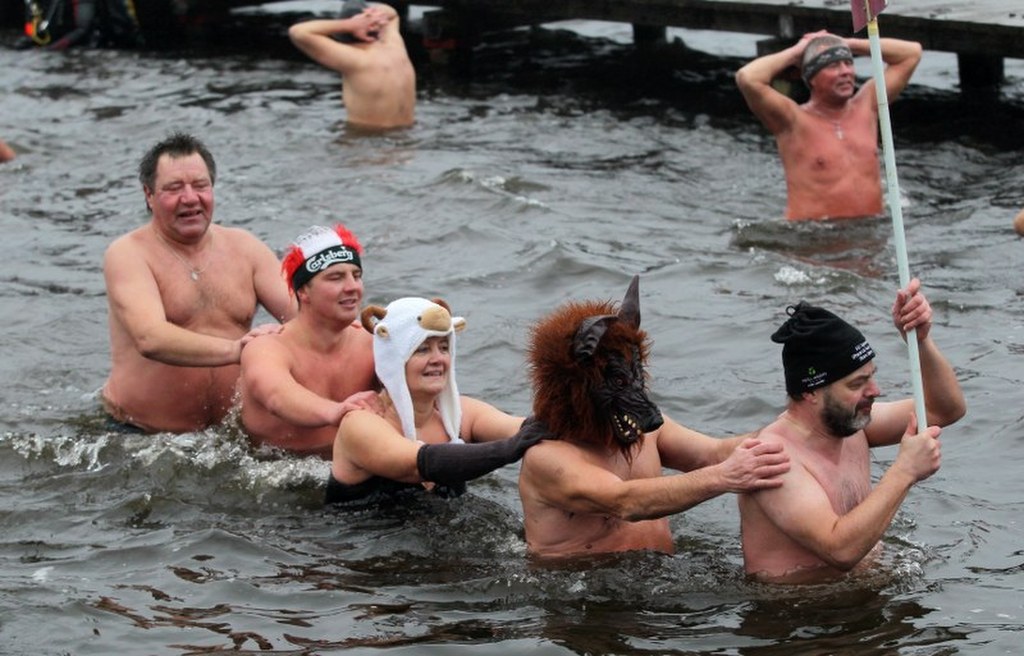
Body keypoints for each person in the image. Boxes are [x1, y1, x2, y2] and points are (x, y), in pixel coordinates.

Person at [517, 276, 791, 558]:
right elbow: (625, 501)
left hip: (657, 570)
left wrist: (790, 429)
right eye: (621, 383)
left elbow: (714, 454)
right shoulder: (548, 458)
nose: (648, 414)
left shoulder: (645, 430)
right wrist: (724, 477)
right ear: (574, 389)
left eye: (637, 376)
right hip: (582, 582)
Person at [738, 278, 966, 583]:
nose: (875, 391)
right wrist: (905, 471)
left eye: (871, 377)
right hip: (799, 608)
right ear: (811, 391)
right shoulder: (772, 458)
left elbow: (945, 409)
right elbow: (840, 550)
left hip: (860, 593)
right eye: (857, 383)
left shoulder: (850, 423)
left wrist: (921, 341)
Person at [102, 133, 296, 433]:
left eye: (200, 186)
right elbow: (150, 338)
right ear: (149, 195)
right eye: (174, 188)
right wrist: (239, 350)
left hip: (230, 435)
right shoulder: (128, 254)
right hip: (140, 434)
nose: (190, 198)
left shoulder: (246, 248)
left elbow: (307, 317)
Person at [327, 296, 545, 504]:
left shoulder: (460, 414)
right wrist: (512, 448)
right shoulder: (361, 423)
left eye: (444, 347)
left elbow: (524, 428)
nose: (438, 359)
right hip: (361, 529)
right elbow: (418, 465)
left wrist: (551, 423)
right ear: (393, 360)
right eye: (422, 349)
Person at [735, 31, 922, 220]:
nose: (845, 72)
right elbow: (748, 77)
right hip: (815, 232)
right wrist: (797, 51)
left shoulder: (868, 106)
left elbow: (911, 53)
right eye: (833, 66)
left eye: (848, 63)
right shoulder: (792, 120)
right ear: (812, 78)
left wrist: (846, 43)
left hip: (869, 230)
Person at [239, 224, 377, 458]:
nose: (352, 287)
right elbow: (276, 396)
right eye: (335, 278)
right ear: (303, 292)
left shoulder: (372, 342)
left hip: (352, 462)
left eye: (356, 276)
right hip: (275, 467)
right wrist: (336, 411)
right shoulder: (265, 347)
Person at [288, 0, 416, 129]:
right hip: (405, 134)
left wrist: (350, 24)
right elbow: (392, 13)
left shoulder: (355, 60)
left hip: (366, 137)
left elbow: (298, 32)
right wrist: (372, 17)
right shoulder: (395, 47)